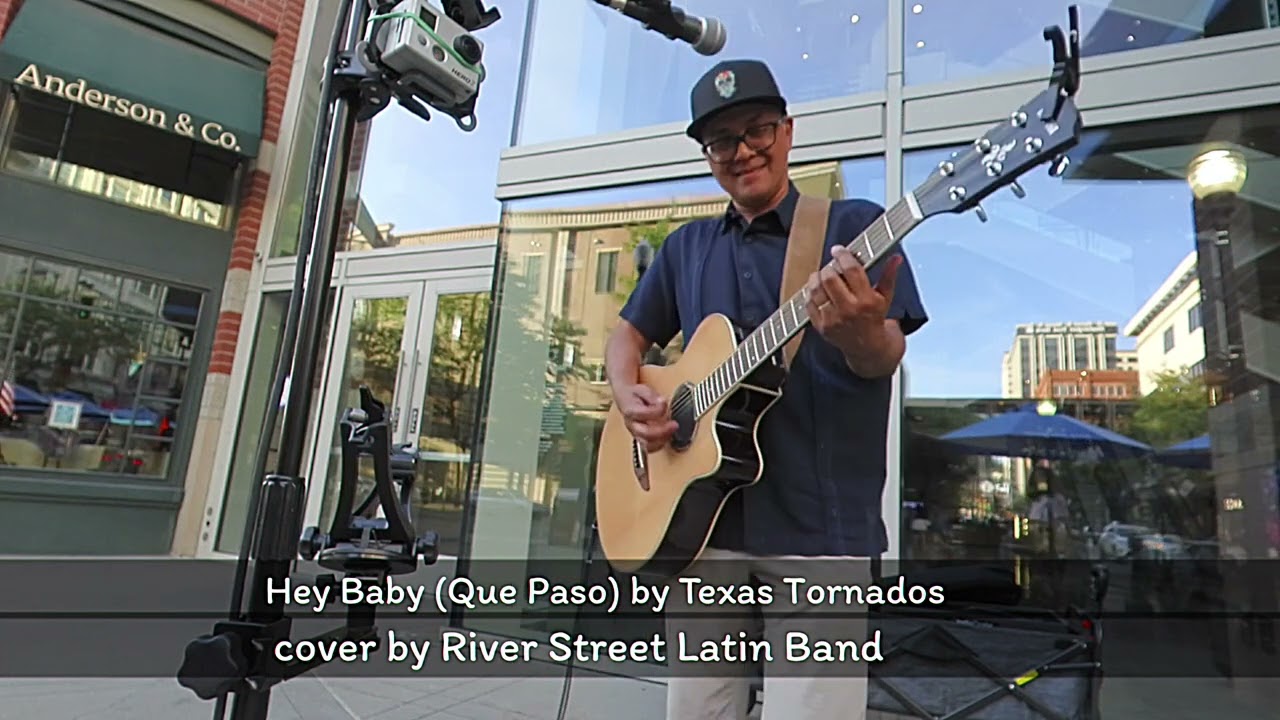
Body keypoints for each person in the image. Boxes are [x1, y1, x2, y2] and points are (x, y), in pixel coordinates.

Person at [603, 59, 929, 720]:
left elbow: (882, 357)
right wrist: (626, 393)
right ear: (707, 156)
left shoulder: (854, 229)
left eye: (756, 130)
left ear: (787, 132)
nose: (743, 151)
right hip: (701, 525)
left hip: (822, 528)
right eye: (722, 141)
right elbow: (626, 339)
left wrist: (858, 329)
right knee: (695, 710)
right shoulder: (685, 247)